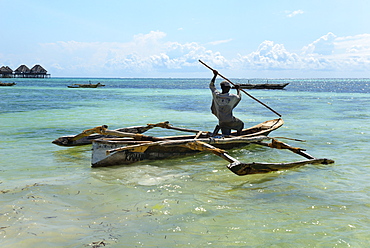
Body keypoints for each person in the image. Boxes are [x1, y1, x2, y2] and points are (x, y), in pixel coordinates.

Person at [209, 70, 244, 136]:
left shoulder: (216, 95)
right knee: (241, 124)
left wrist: (215, 76)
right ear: (228, 88)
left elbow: (211, 86)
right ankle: (239, 137)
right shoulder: (231, 97)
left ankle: (226, 139)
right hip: (229, 120)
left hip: (221, 121)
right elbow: (239, 97)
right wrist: (238, 90)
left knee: (226, 134)